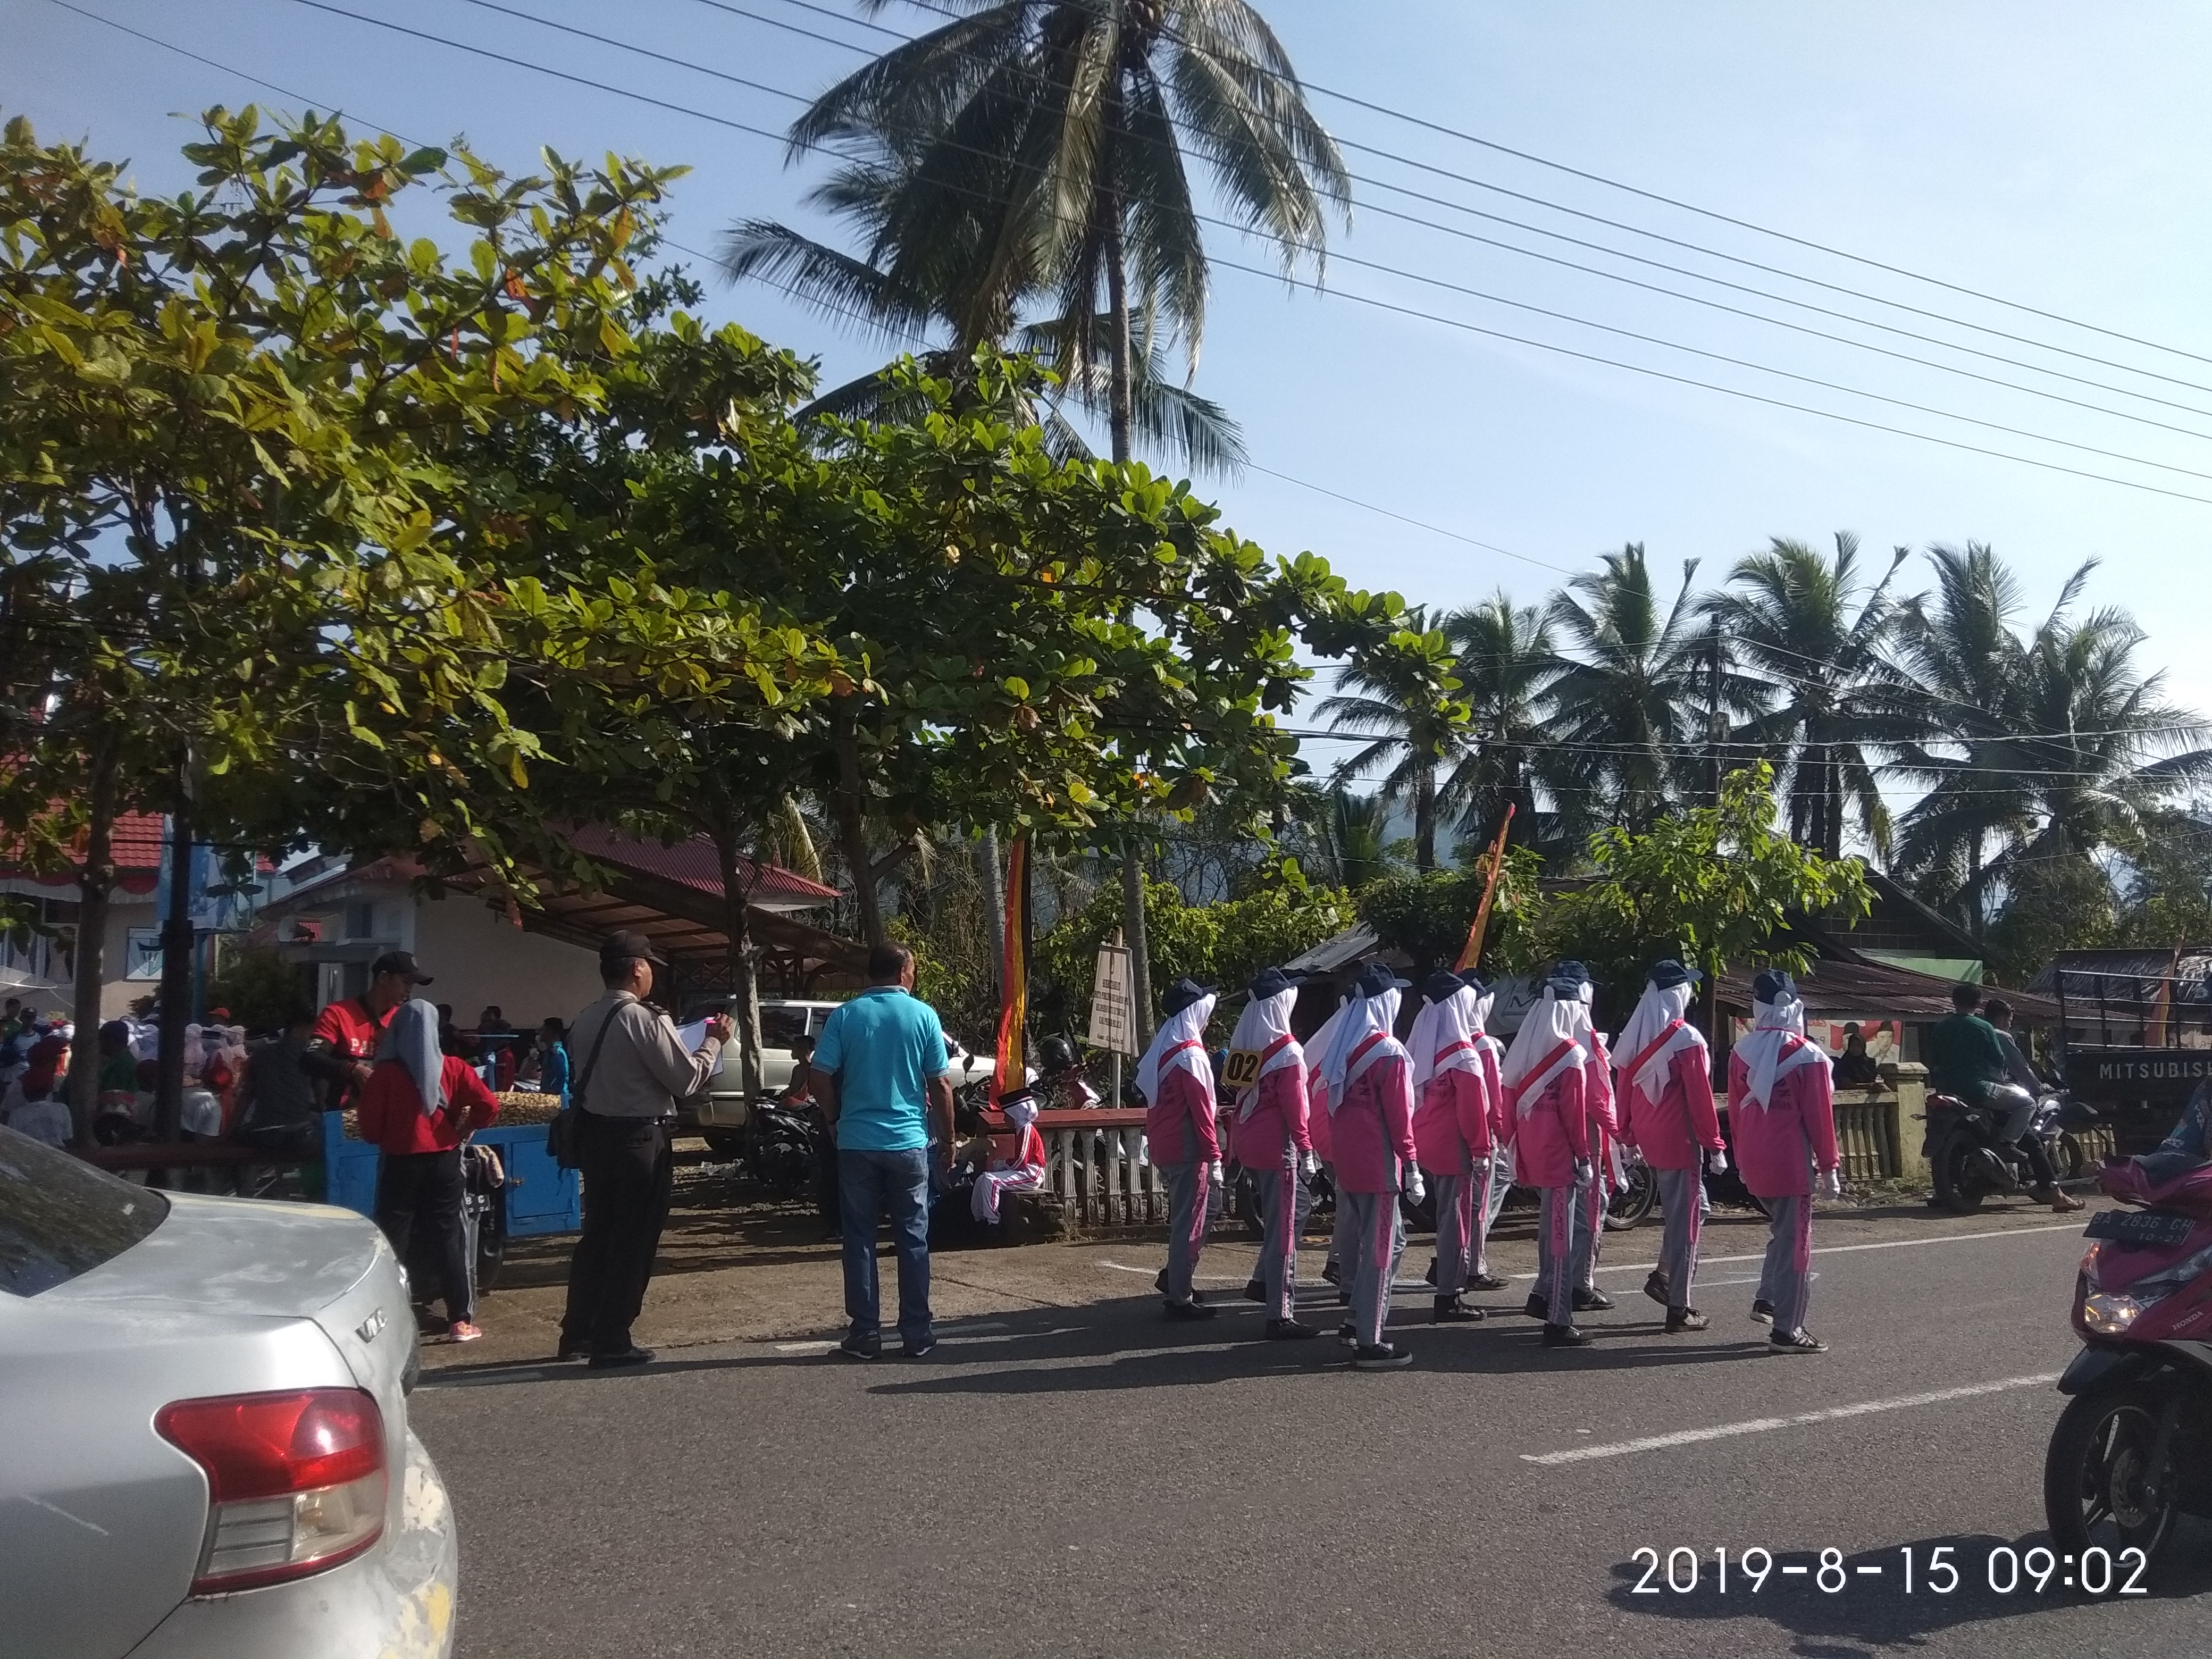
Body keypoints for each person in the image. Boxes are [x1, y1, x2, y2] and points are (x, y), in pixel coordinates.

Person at [559, 932, 732, 1368]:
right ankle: (613, 1337)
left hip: (598, 1137)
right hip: (640, 1139)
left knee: (598, 1236)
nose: (652, 973)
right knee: (633, 1240)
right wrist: (715, 1041)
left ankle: (578, 1331)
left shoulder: (586, 1017)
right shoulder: (642, 1019)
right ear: (637, 968)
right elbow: (686, 1079)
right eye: (650, 965)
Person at [812, 943, 956, 1361]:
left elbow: (819, 1076)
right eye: (913, 969)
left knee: (859, 1237)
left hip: (856, 1141)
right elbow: (940, 1085)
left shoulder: (846, 1015)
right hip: (908, 1142)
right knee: (913, 1236)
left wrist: (834, 1119)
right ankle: (916, 1334)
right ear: (902, 972)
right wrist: (947, 1141)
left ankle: (865, 1335)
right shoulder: (923, 1016)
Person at [356, 999, 499, 1340]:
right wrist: (463, 1129)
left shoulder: (385, 1075)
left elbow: (370, 1131)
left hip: (399, 1162)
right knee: (450, 1234)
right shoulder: (452, 1067)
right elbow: (489, 1106)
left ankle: (389, 1316)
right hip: (445, 1161)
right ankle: (460, 1320)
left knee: (393, 1238)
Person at [1730, 969, 1842, 1354]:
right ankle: (1788, 1329)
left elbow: (1735, 1111)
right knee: (1798, 1245)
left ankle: (1768, 1298)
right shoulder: (1808, 1056)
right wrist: (1829, 1168)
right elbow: (1820, 1118)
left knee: (1782, 1233)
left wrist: (1740, 1158)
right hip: (1791, 1164)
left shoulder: (1741, 1052)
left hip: (1754, 1159)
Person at [1318, 962, 1421, 1370]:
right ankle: (1370, 1338)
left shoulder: (1344, 1047)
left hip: (1348, 1159)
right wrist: (1412, 1164)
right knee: (1385, 1246)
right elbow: (1400, 1118)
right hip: (1378, 1163)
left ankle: (1355, 1319)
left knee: (1370, 1243)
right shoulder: (1389, 1052)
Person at [1614, 959, 1723, 1334]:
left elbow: (1623, 1089)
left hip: (1650, 1136)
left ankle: (1664, 1275)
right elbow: (1701, 1098)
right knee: (1686, 1220)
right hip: (1680, 1140)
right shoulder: (1686, 1040)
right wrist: (1714, 1144)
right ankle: (1681, 1305)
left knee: (1697, 1209)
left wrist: (1627, 1134)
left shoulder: (1636, 1036)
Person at [1503, 964, 1596, 1348]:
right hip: (1560, 1156)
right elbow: (1574, 1116)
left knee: (1549, 1232)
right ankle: (1558, 1319)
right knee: (1561, 1238)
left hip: (1532, 1149)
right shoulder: (1570, 1056)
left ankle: (1544, 1299)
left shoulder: (1527, 1051)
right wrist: (1585, 1157)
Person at [1224, 965, 1319, 1340]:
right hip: (1278, 1146)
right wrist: (1308, 1150)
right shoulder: (1289, 1052)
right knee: (1284, 1228)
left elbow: (1234, 1088)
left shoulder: (1247, 1044)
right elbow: (1297, 1108)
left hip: (1249, 1141)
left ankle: (1263, 1279)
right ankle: (1280, 1313)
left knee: (1291, 1213)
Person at [1927, 982, 2077, 1213]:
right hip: (1979, 1089)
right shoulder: (1983, 1028)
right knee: (2026, 1107)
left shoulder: (1940, 1027)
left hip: (1946, 1089)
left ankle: (1945, 1189)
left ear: (1954, 1001)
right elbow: (1998, 1060)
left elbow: (1933, 1059)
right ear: (1977, 1004)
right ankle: (2008, 1145)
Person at [1409, 968, 1493, 1325]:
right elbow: (1473, 1110)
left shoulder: (1424, 1045)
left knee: (1446, 1217)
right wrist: (1482, 1150)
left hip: (1427, 1138)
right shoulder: (1463, 1055)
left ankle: (1447, 1283)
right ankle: (1449, 1293)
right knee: (1455, 1222)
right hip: (1454, 1146)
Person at [1138, 977, 1222, 1322]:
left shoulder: (1166, 1051)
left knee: (1196, 1214)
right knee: (1190, 1222)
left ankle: (1176, 1278)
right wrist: (1215, 1156)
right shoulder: (1191, 1054)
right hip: (1188, 1148)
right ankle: (1180, 1295)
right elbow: (1203, 1111)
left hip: (1164, 1143)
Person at [305, 951, 431, 1111]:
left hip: (390, 1114)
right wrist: (352, 1069)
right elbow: (310, 1059)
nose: (410, 990)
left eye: (413, 985)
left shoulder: (405, 1019)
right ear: (383, 978)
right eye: (406, 982)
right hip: (343, 1115)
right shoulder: (337, 1013)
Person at [233, 1010, 329, 1183]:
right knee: (319, 1127)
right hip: (299, 1135)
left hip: (263, 1134)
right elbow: (323, 1100)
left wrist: (227, 1133)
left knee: (242, 1139)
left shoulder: (261, 1053)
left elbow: (245, 1097)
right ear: (299, 1030)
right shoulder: (312, 1056)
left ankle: (245, 1194)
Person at [969, 1087, 1047, 1226]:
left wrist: (1002, 1164)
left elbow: (1020, 1161)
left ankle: (993, 1223)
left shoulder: (1027, 1130)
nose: (1005, 1119)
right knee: (982, 1179)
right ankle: (978, 1219)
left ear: (1015, 1115)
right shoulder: (1021, 1130)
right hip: (1024, 1171)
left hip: (1031, 1173)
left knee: (990, 1180)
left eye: (1007, 1115)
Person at [1832, 1023, 1881, 1088]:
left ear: (1863, 1047)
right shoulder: (1843, 1064)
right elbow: (1846, 1084)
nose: (1855, 1048)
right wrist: (1869, 1086)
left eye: (1859, 1046)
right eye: (1853, 1045)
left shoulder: (1869, 1063)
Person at [532, 1018, 571, 1096]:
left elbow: (561, 1075)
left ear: (551, 1032)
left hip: (557, 1098)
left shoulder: (556, 1053)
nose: (540, 1033)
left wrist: (548, 1092)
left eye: (543, 1030)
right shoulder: (551, 1051)